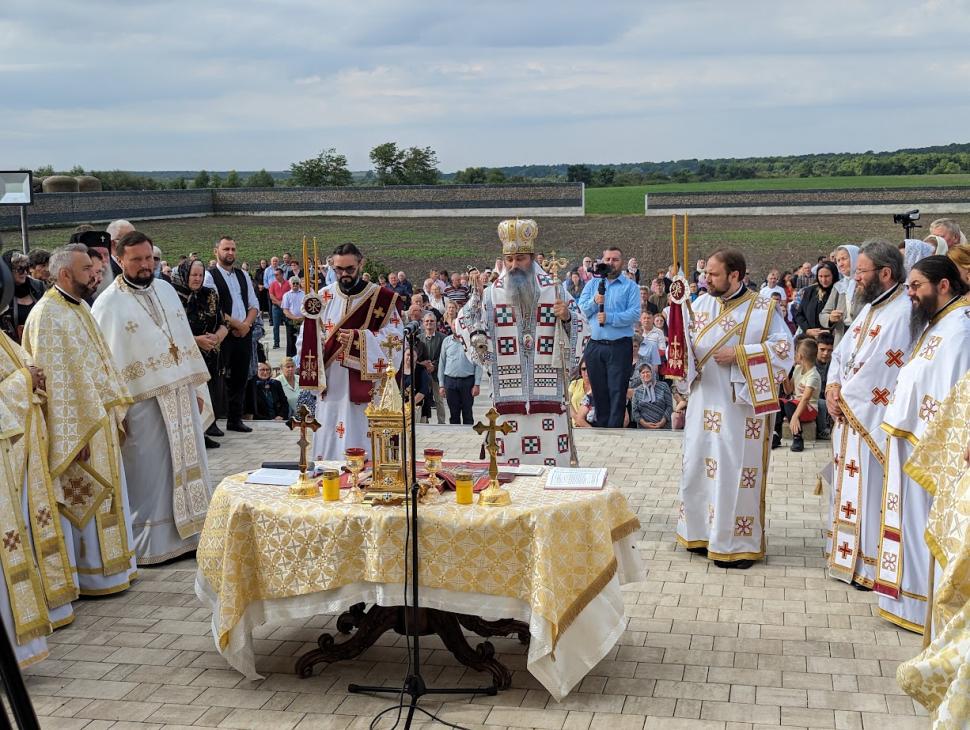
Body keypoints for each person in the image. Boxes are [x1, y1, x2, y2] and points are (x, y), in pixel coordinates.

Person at [22, 244, 138, 595]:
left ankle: (117, 570)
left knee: (110, 495)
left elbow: (100, 363)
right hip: (78, 433)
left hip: (98, 421)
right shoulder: (47, 316)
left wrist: (118, 407)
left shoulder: (79, 307)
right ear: (64, 275)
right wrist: (71, 438)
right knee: (85, 501)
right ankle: (91, 575)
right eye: (86, 268)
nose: (94, 273)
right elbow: (53, 385)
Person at [92, 231, 213, 565]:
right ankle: (153, 545)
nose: (146, 266)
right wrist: (118, 413)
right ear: (119, 260)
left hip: (181, 396)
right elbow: (107, 364)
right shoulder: (107, 304)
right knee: (151, 472)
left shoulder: (166, 290)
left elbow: (184, 341)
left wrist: (196, 389)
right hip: (142, 404)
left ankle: (194, 535)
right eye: (137, 260)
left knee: (190, 465)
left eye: (149, 259)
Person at [676, 248, 794, 569]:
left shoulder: (763, 309)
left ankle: (737, 544)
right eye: (706, 273)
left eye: (713, 275)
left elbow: (784, 351)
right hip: (702, 401)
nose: (706, 279)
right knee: (697, 468)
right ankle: (700, 533)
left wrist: (741, 354)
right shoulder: (700, 303)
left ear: (735, 276)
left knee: (733, 472)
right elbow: (684, 347)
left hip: (739, 411)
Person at [873, 256, 970, 633]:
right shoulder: (940, 321)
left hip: (934, 449)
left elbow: (958, 392)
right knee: (910, 526)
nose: (909, 293)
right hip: (912, 441)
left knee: (926, 527)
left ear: (943, 285)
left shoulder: (960, 329)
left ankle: (929, 610)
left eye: (916, 286)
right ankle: (913, 604)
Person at [457, 219, 588, 465]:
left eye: (521, 259)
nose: (515, 265)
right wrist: (476, 308)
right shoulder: (491, 294)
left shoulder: (555, 290)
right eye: (510, 260)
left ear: (533, 258)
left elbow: (583, 328)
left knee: (552, 473)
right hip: (508, 399)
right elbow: (464, 324)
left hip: (548, 399)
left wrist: (568, 317)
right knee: (509, 473)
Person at [824, 239, 913, 589]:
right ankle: (846, 556)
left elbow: (880, 370)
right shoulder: (871, 308)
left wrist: (843, 396)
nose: (856, 279)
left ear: (885, 273)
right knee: (848, 491)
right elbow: (843, 355)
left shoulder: (902, 311)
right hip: (849, 413)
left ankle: (870, 566)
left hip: (869, 417)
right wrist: (832, 388)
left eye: (861, 271)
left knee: (870, 490)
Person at [295, 243, 404, 460]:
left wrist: (358, 340)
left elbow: (396, 341)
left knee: (362, 439)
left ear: (361, 264)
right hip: (331, 385)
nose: (344, 274)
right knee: (330, 439)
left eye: (350, 269)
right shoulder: (322, 298)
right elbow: (303, 340)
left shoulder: (380, 298)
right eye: (338, 269)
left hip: (366, 391)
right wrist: (319, 344)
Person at [578, 246, 640, 428]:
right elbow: (581, 310)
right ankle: (601, 428)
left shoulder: (630, 286)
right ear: (602, 261)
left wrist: (611, 318)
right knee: (598, 391)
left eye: (615, 260)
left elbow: (635, 313)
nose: (610, 263)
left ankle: (614, 432)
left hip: (619, 346)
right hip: (596, 345)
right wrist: (594, 302)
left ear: (621, 262)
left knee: (617, 391)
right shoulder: (592, 285)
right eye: (607, 259)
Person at [204, 237, 259, 433]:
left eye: (233, 249)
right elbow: (214, 307)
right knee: (217, 378)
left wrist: (246, 324)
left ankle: (235, 419)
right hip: (222, 334)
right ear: (216, 251)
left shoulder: (243, 275)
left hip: (243, 333)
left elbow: (253, 304)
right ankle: (211, 423)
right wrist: (236, 324)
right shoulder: (209, 276)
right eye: (226, 249)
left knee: (240, 377)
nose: (230, 253)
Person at [172, 258, 228, 448]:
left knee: (211, 393)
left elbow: (223, 321)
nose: (197, 279)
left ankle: (205, 430)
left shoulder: (210, 294)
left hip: (212, 352)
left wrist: (218, 336)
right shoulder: (174, 297)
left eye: (200, 275)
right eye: (193, 275)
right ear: (184, 275)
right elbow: (171, 330)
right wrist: (197, 341)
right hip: (186, 356)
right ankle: (194, 435)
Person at [772, 338, 820, 452]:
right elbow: (788, 391)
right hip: (795, 404)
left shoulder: (813, 375)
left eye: (795, 353)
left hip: (809, 408)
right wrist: (784, 376)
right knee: (779, 402)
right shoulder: (798, 369)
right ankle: (776, 435)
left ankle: (798, 438)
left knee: (789, 405)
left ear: (801, 356)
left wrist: (794, 417)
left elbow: (805, 399)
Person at [437, 326, 481, 424]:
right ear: (451, 327)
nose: (456, 327)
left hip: (467, 381)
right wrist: (441, 385)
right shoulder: (446, 341)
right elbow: (442, 363)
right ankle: (455, 437)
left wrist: (477, 384)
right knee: (453, 413)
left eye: (458, 324)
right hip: (450, 382)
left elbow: (478, 363)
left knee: (467, 412)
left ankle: (468, 437)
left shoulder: (472, 342)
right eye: (454, 325)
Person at [820, 244, 859, 346]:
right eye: (838, 260)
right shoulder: (839, 286)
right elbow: (823, 314)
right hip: (842, 336)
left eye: (844, 259)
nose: (840, 264)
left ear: (856, 258)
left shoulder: (867, 283)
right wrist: (830, 318)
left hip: (861, 335)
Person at [1, 252, 44, 342]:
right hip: (14, 347)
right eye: (20, 269)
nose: (24, 272)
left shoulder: (38, 287)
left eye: (26, 268)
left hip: (40, 341)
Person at [417, 312, 446, 424]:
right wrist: (423, 364)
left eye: (431, 321)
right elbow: (415, 355)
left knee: (439, 400)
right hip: (422, 373)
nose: (429, 323)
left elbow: (444, 356)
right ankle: (424, 420)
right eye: (427, 321)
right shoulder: (418, 338)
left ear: (436, 323)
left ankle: (441, 422)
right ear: (423, 323)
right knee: (423, 398)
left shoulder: (442, 338)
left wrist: (434, 365)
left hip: (436, 373)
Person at [632, 364, 672, 429]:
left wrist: (662, 422)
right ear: (640, 375)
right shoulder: (637, 391)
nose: (646, 374)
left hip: (663, 427)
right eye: (643, 373)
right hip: (643, 429)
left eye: (648, 372)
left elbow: (669, 406)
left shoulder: (663, 386)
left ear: (652, 372)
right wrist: (645, 424)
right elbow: (635, 412)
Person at [814, 331, 834, 439]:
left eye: (829, 350)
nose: (826, 353)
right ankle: (823, 430)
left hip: (827, 396)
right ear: (816, 348)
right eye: (822, 349)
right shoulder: (809, 362)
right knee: (821, 403)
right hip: (812, 398)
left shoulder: (834, 364)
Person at [281, 276, 305, 358]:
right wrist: (294, 318)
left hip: (303, 321)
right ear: (290, 284)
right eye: (293, 283)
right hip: (291, 321)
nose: (295, 285)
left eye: (297, 283)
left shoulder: (304, 294)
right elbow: (285, 310)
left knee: (302, 340)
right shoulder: (286, 295)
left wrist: (302, 317)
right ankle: (290, 359)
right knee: (291, 341)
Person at [267, 267, 290, 350]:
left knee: (288, 325)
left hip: (286, 308)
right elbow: (271, 295)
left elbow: (290, 295)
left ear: (282, 274)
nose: (276, 276)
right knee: (276, 326)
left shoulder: (288, 283)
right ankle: (276, 342)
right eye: (275, 275)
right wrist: (279, 302)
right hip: (276, 307)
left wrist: (284, 303)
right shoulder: (273, 284)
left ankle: (290, 342)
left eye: (277, 275)